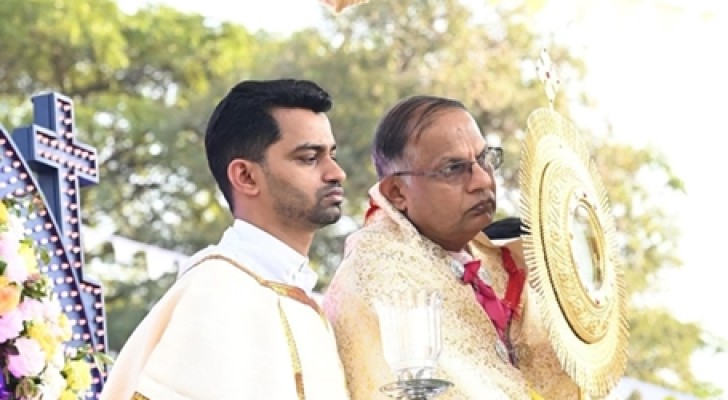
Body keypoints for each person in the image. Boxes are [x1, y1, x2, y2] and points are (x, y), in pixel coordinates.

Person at [101, 79, 351, 400]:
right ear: (245, 177)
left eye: (332, 154)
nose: (336, 173)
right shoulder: (216, 292)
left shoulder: (306, 305)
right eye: (308, 158)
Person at [322, 95, 581, 399]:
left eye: (485, 159)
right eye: (453, 169)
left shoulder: (496, 258)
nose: (482, 181)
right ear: (397, 192)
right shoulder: (376, 279)